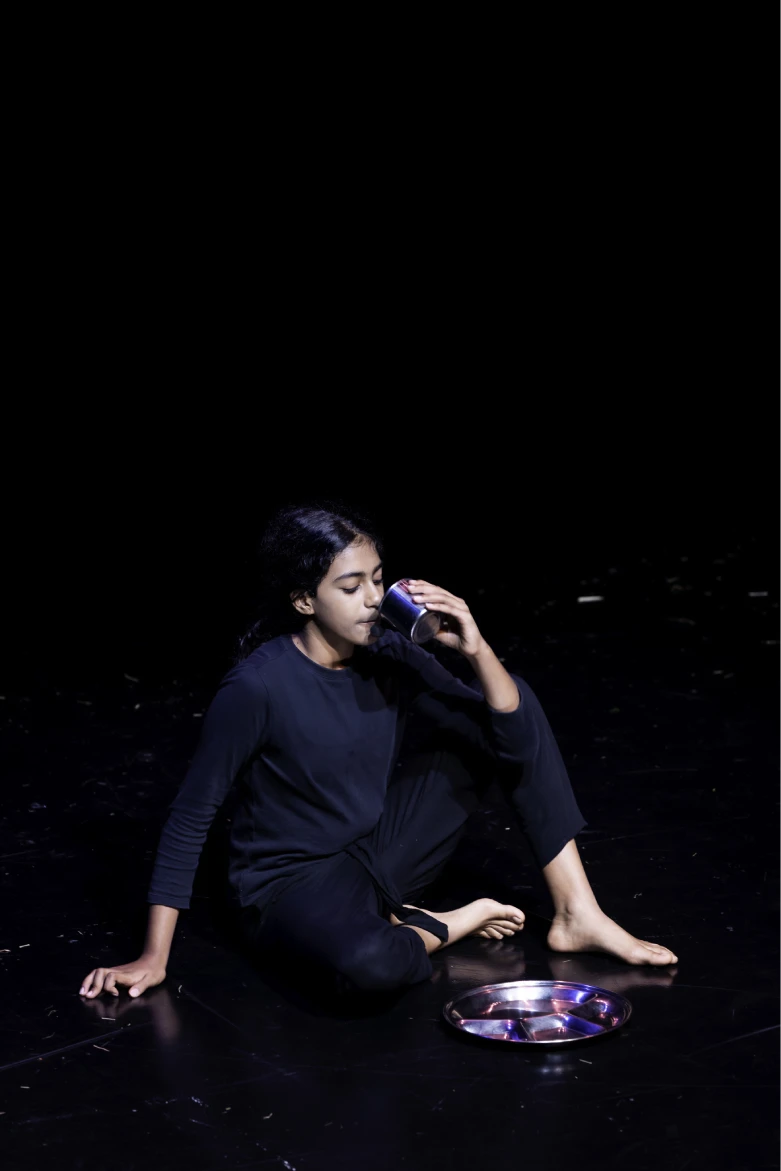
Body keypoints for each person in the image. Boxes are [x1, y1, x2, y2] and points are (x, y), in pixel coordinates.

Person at [78, 502, 678, 1001]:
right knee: (370, 965)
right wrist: (153, 957)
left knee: (510, 704)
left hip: (376, 854)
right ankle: (441, 923)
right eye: (350, 586)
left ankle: (577, 913)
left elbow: (513, 737)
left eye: (377, 578)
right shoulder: (257, 688)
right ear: (304, 600)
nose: (373, 599)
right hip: (292, 885)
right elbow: (191, 816)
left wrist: (474, 648)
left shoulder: (387, 651)